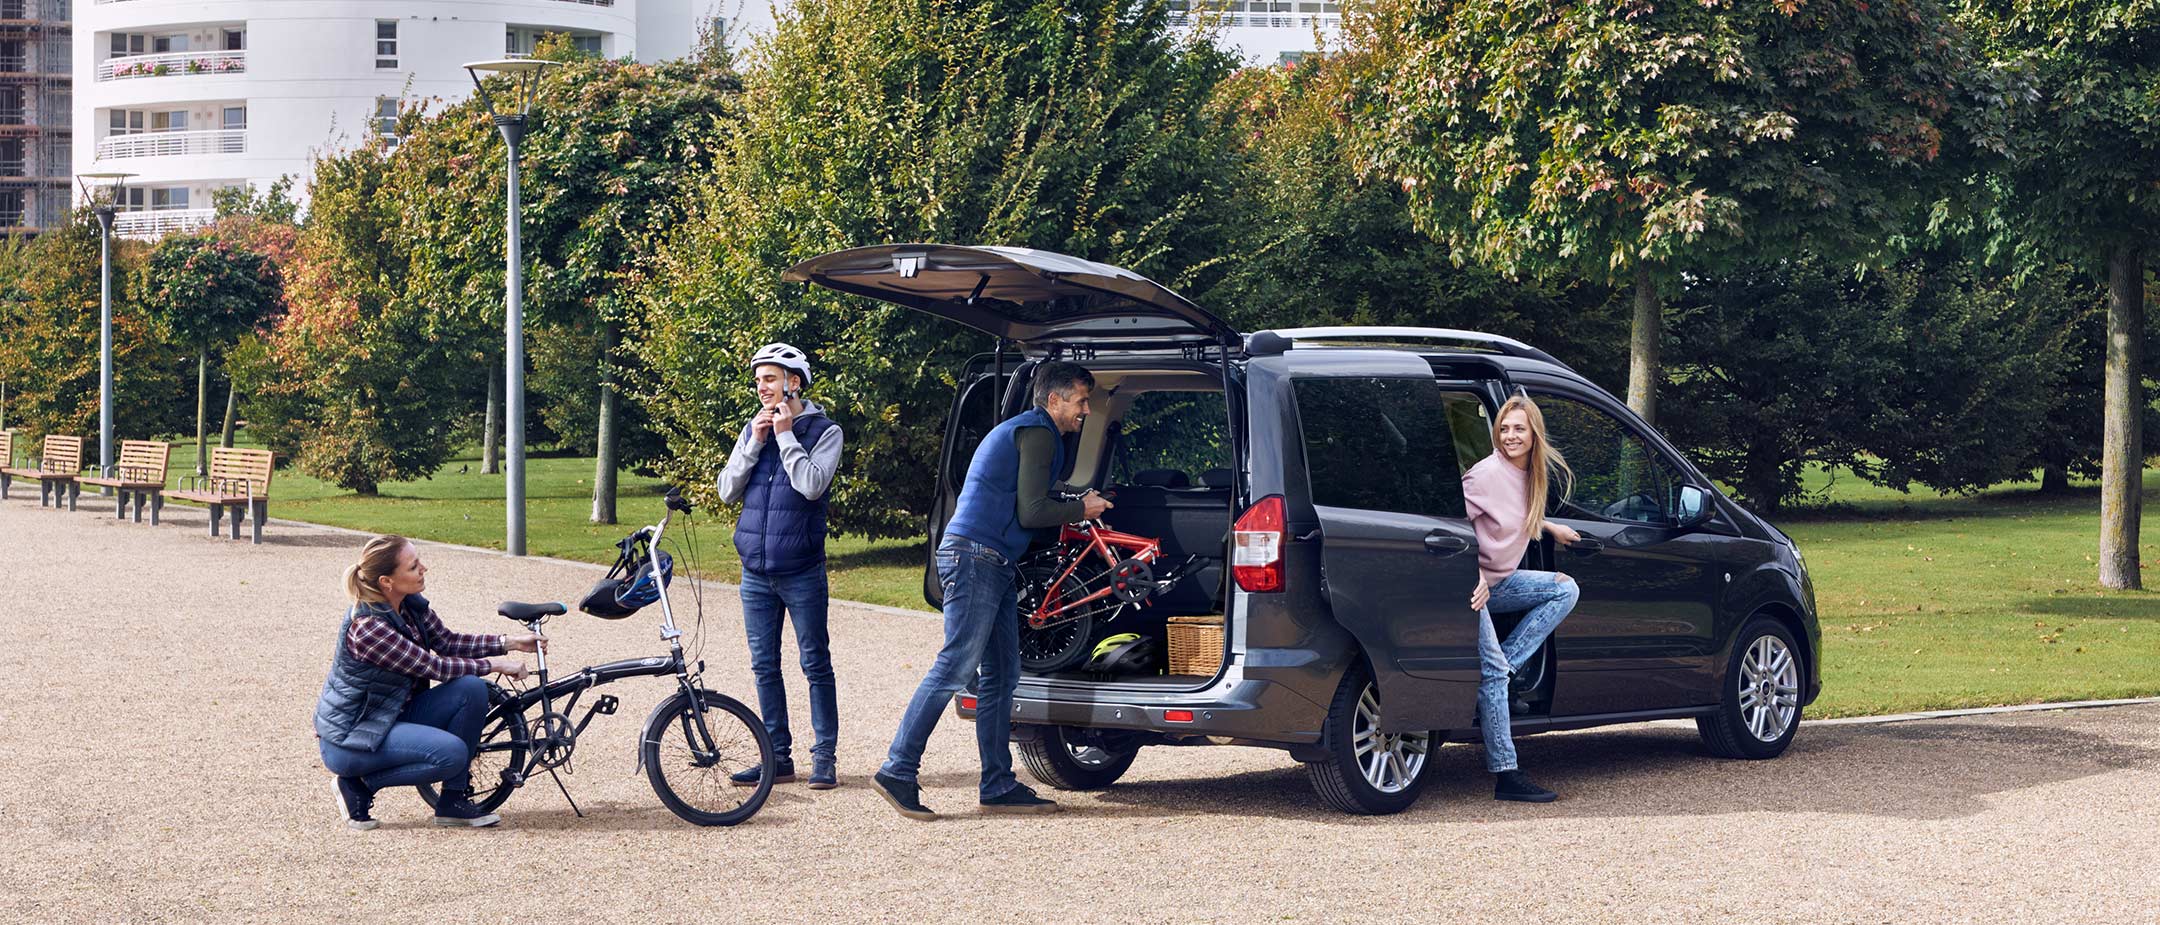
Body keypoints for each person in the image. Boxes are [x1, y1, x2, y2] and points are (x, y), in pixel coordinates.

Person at [873, 361, 1112, 820]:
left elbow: (1030, 495)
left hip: (991, 558)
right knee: (956, 664)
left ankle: (997, 784)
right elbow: (1033, 510)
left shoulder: (1031, 432)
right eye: (1081, 401)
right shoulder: (1038, 432)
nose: (1086, 410)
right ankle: (898, 769)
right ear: (1055, 399)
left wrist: (1075, 497)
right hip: (976, 556)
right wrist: (1083, 507)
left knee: (1003, 673)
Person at [313, 535, 542, 830]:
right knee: (452, 754)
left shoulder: (408, 605)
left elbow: (446, 642)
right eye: (413, 567)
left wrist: (509, 642)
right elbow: (434, 666)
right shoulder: (367, 629)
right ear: (387, 581)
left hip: (392, 716)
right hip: (354, 737)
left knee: (472, 688)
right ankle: (359, 785)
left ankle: (453, 802)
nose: (424, 568)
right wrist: (495, 665)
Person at [716, 343, 845, 790]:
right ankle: (777, 758)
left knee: (815, 663)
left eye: (769, 379)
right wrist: (755, 442)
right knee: (764, 666)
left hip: (802, 570)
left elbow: (811, 485)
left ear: (794, 382)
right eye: (758, 380)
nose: (761, 388)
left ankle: (824, 758)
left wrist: (787, 435)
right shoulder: (753, 430)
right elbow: (727, 490)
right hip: (755, 571)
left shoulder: (826, 431)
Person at [1461, 395, 1582, 803]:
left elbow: (1511, 515)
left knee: (1564, 588)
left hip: (1501, 582)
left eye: (1519, 429)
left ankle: (1505, 672)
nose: (1510, 436)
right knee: (1491, 674)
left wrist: (1548, 526)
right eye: (1505, 428)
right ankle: (1506, 776)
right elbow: (1448, 526)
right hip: (1469, 589)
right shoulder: (1485, 474)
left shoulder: (1530, 476)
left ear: (1534, 436)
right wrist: (1471, 574)